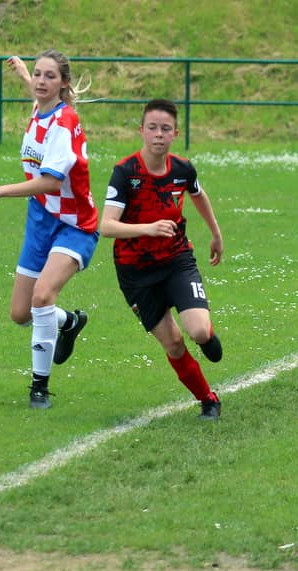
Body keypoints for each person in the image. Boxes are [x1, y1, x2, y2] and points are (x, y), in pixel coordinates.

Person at [0, 50, 97, 410]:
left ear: (64, 84)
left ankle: (39, 387)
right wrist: (23, 73)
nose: (41, 82)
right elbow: (37, 92)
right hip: (40, 221)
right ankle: (69, 322)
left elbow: (50, 182)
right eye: (39, 75)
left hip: (74, 224)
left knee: (42, 297)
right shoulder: (41, 107)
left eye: (50, 76)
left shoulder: (63, 123)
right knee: (21, 313)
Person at [100, 98, 224, 420]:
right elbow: (106, 226)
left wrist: (215, 233)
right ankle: (209, 400)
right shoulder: (125, 173)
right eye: (152, 127)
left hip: (176, 261)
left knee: (198, 332)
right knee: (173, 344)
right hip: (136, 273)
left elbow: (198, 194)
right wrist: (149, 228)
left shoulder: (182, 169)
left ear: (175, 134)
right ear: (141, 130)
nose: (158, 134)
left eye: (165, 129)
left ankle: (207, 336)